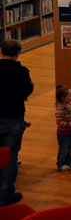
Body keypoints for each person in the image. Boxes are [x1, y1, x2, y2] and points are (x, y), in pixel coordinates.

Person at [0, 40, 33, 206]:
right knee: (10, 156)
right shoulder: (21, 71)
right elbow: (28, 89)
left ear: (1, 51)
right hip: (13, 118)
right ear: (18, 53)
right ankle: (5, 195)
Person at [55, 85, 71, 171]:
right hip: (63, 133)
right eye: (70, 95)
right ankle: (61, 163)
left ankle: (69, 161)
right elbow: (59, 122)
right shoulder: (60, 109)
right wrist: (69, 125)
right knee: (63, 149)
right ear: (63, 98)